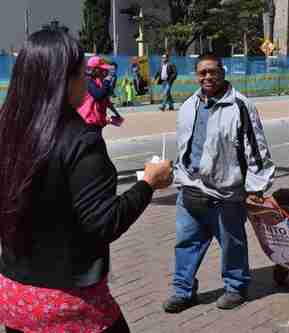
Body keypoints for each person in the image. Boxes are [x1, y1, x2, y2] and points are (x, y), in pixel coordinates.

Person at [0, 29, 173, 332]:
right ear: (65, 80)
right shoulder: (81, 142)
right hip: (66, 301)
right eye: (83, 73)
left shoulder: (7, 131)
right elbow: (103, 223)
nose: (87, 80)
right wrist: (148, 183)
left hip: (13, 295)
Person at [163, 53, 275, 313]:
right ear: (196, 75)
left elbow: (256, 148)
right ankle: (183, 291)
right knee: (186, 244)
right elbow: (186, 145)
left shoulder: (240, 105)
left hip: (225, 193)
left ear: (223, 72)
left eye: (213, 71)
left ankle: (236, 287)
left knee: (232, 244)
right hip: (190, 189)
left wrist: (257, 186)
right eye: (202, 73)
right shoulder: (189, 104)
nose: (208, 77)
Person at [77, 56, 124, 128]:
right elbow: (98, 95)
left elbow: (106, 101)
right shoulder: (88, 81)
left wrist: (116, 114)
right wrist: (107, 81)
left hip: (97, 122)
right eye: (102, 69)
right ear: (95, 69)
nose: (104, 70)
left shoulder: (100, 81)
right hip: (88, 122)